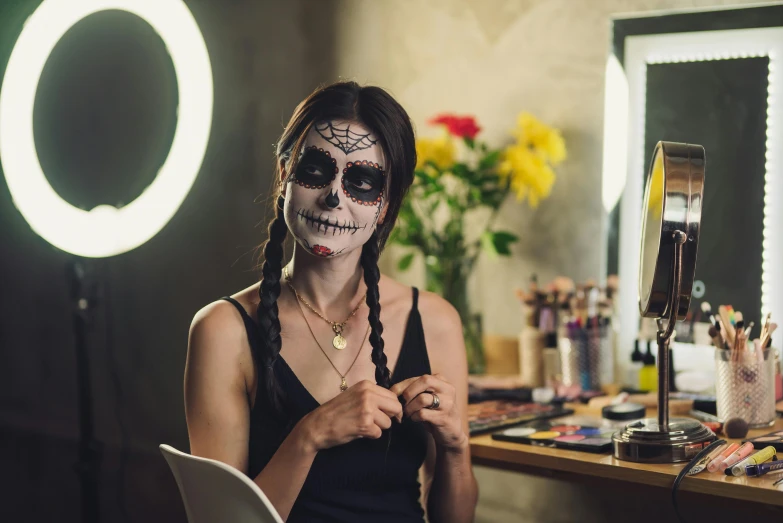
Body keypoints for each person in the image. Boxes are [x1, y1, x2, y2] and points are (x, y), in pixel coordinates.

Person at [184, 81, 477, 522]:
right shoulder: (223, 330)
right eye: (316, 170)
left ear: (385, 204)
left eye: (362, 180)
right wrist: (310, 435)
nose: (333, 196)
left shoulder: (434, 321)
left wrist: (456, 447)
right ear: (284, 175)